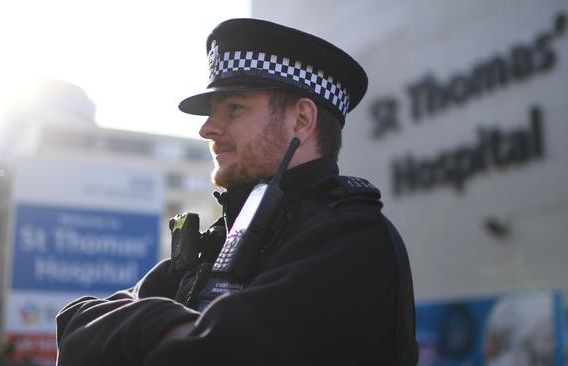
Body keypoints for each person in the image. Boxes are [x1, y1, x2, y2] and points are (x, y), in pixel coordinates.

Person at [55, 18, 418, 365]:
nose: (207, 129)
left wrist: (153, 331)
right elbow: (73, 326)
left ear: (302, 120)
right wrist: (176, 330)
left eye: (234, 109)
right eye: (212, 112)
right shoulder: (219, 239)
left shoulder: (354, 241)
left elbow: (217, 357)